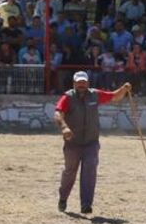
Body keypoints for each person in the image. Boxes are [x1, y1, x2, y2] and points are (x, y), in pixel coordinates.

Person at [53, 72, 133, 214]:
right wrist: (64, 127)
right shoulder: (68, 97)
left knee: (90, 172)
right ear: (74, 83)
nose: (81, 84)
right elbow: (58, 113)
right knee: (70, 173)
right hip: (73, 143)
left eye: (84, 82)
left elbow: (114, 96)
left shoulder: (95, 95)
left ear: (88, 83)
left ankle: (86, 204)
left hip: (91, 142)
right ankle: (63, 198)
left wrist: (124, 89)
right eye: (79, 82)